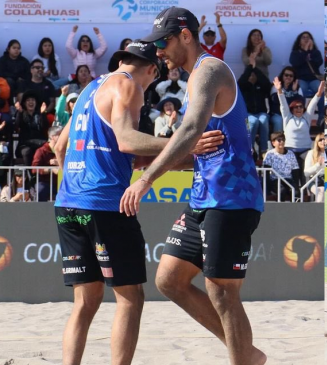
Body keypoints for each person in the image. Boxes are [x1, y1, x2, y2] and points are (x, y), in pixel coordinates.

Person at [122, 8, 266, 365]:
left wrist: (147, 178)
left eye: (163, 42)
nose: (159, 51)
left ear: (185, 35)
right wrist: (155, 160)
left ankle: (242, 358)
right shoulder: (193, 81)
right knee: (169, 279)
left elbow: (188, 133)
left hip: (231, 199)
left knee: (222, 293)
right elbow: (195, 147)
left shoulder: (210, 68)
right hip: (204, 197)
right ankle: (246, 354)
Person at [53, 41, 204, 365]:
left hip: (68, 204)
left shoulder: (91, 88)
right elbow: (126, 139)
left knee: (85, 301)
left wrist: (83, 179)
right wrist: (181, 143)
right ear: (151, 69)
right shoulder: (129, 85)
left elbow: (60, 147)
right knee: (130, 298)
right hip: (104, 206)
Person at [239, 53, 272, 159]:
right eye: (250, 75)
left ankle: (263, 150)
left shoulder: (261, 86)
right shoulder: (243, 86)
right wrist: (249, 67)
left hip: (261, 113)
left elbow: (266, 83)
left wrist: (255, 69)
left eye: (254, 75)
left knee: (263, 120)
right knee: (253, 122)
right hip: (248, 114)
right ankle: (250, 148)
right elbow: (242, 80)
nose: (252, 76)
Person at [14, 90, 48, 167]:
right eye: (28, 100)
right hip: (24, 144)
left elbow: (44, 126)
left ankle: (42, 174)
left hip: (39, 143)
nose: (30, 102)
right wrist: (19, 112)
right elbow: (18, 125)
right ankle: (31, 175)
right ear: (24, 103)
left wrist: (43, 114)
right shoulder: (21, 113)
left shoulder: (39, 114)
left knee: (44, 150)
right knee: (27, 151)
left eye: (33, 100)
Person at [263, 131, 300, 200]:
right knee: (282, 191)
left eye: (283, 140)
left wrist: (296, 186)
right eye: (279, 140)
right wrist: (267, 187)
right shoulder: (270, 154)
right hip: (276, 180)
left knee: (296, 193)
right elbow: (266, 172)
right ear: (273, 143)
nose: (282, 142)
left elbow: (295, 171)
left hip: (288, 180)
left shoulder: (291, 154)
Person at [269, 66, 303, 134]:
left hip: (292, 114)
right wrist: (291, 96)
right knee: (279, 121)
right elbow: (275, 100)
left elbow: (301, 102)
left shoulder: (297, 87)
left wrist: (294, 92)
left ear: (293, 78)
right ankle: (278, 142)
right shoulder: (276, 85)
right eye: (286, 75)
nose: (288, 77)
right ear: (282, 76)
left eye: (291, 76)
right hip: (277, 114)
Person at [31, 125, 61, 201]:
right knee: (40, 190)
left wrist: (59, 163)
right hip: (46, 182)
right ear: (53, 137)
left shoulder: (65, 151)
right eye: (60, 135)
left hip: (62, 181)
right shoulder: (41, 151)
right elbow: (34, 168)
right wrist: (50, 170)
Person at [290, 31, 323, 98]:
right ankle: (301, 108)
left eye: (308, 37)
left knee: (321, 91)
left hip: (313, 78)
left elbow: (318, 63)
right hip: (301, 78)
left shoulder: (316, 52)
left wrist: (311, 51)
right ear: (299, 42)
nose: (306, 39)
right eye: (303, 37)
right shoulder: (295, 52)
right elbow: (295, 63)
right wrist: (305, 50)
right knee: (301, 91)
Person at [304, 133, 326, 202]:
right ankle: (318, 212)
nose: (323, 141)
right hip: (314, 180)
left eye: (324, 139)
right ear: (317, 142)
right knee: (321, 191)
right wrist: (318, 165)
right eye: (320, 140)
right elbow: (306, 173)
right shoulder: (311, 153)